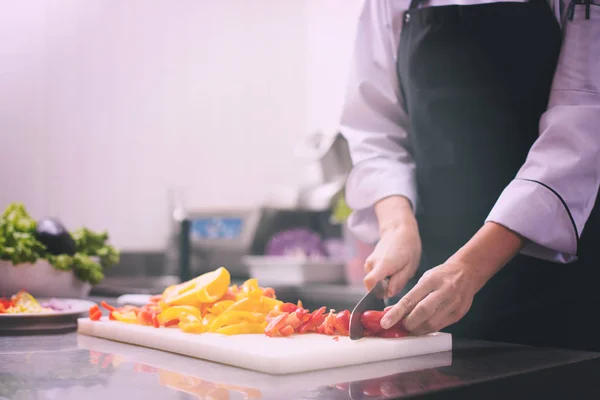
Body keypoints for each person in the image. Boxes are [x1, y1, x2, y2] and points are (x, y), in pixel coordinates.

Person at [340, 0, 600, 350]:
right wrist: (396, 227)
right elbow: (375, 131)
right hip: (428, 292)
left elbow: (580, 135)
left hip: (557, 296)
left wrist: (470, 268)